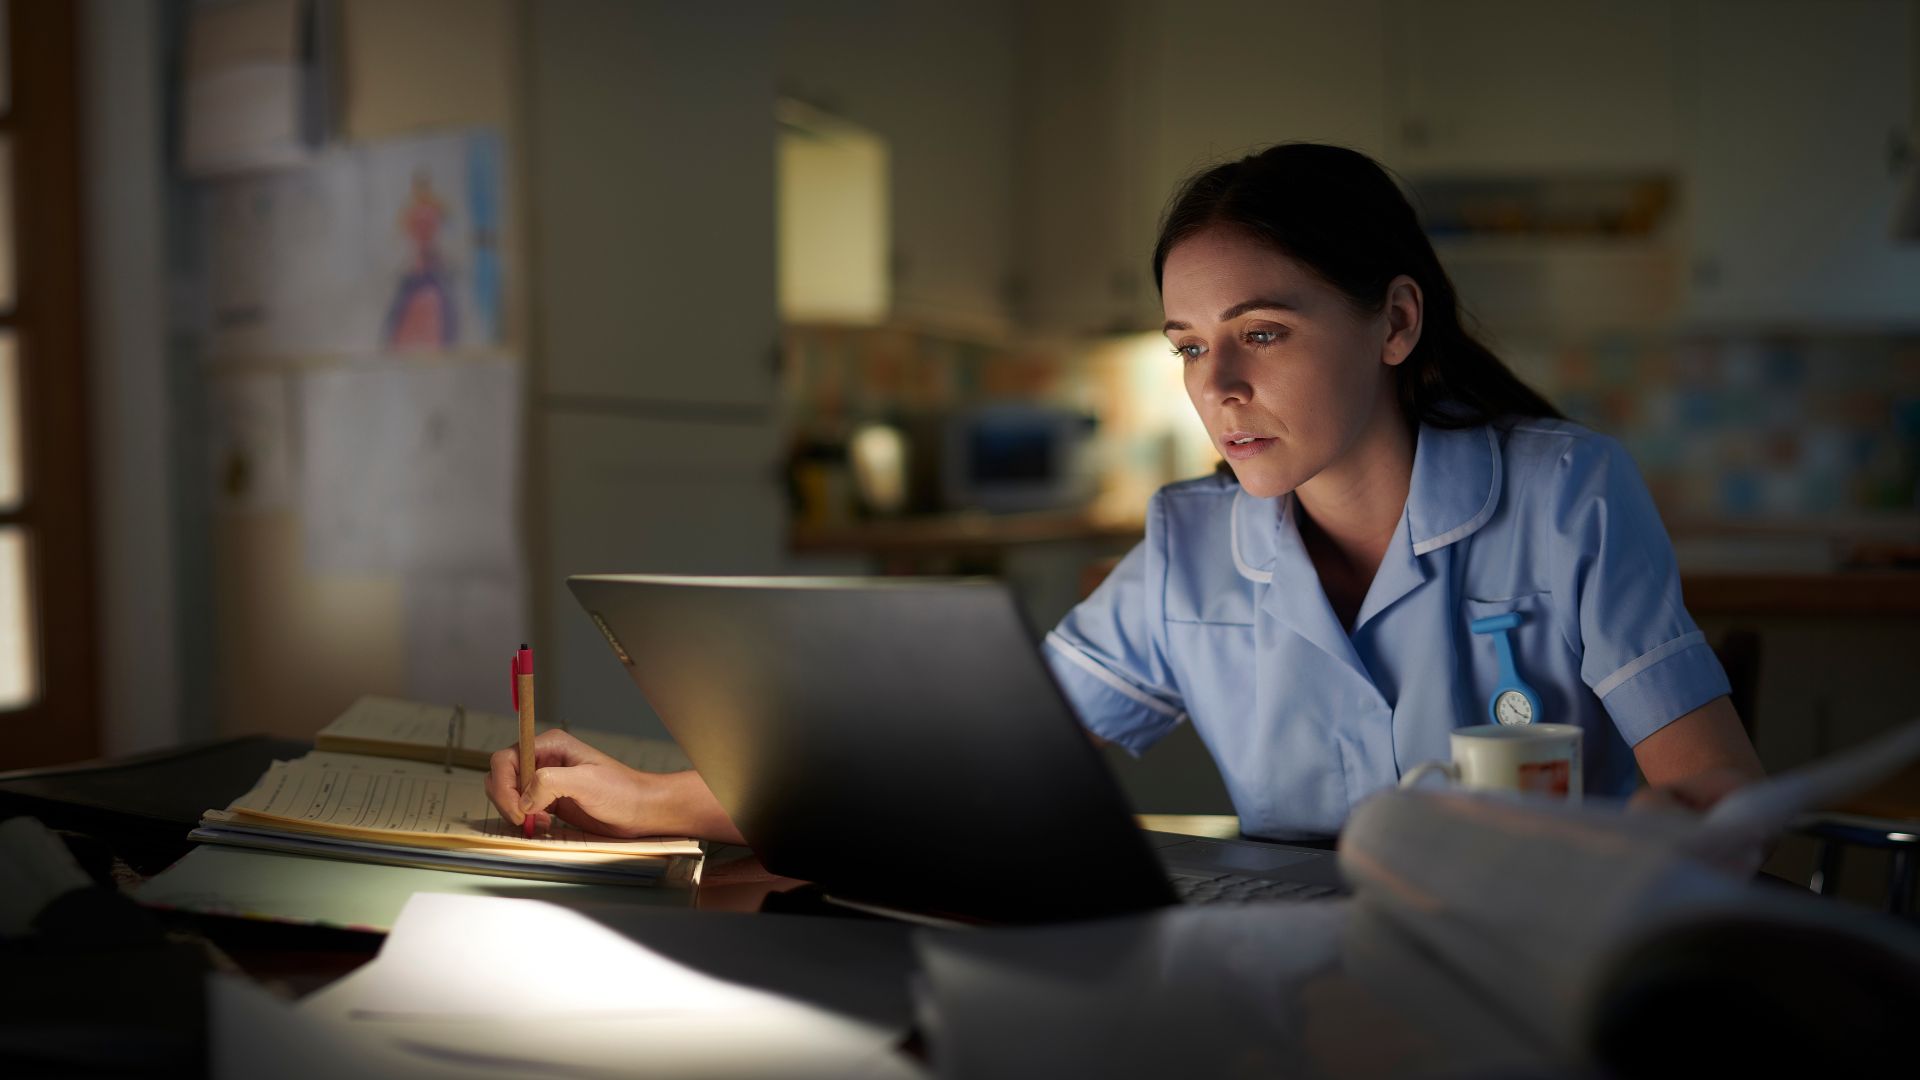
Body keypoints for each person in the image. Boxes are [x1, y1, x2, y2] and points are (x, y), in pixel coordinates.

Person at [487, 142, 1762, 844]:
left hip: (1548, 994)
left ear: (1395, 322)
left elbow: (1716, 800)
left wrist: (1606, 873)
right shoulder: (1190, 551)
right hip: (1297, 993)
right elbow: (961, 764)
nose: (1217, 384)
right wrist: (666, 800)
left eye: (1261, 331)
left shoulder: (1568, 497)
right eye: (1190, 345)